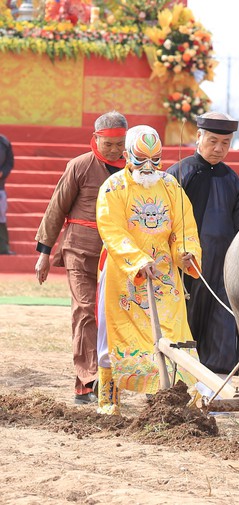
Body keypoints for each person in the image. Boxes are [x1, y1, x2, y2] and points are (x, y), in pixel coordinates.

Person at [95, 126, 202, 415]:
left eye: (155, 159)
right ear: (128, 155)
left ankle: (173, 397)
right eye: (141, 158)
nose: (148, 167)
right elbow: (112, 231)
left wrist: (186, 253)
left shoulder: (170, 186)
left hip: (164, 274)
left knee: (172, 331)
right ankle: (108, 398)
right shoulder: (114, 188)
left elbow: (184, 228)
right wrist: (138, 260)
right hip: (124, 273)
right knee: (115, 334)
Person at [34, 111, 127, 405]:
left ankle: (110, 376)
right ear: (95, 139)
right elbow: (56, 208)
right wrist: (44, 254)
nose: (114, 150)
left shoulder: (133, 171)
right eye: (108, 143)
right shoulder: (79, 166)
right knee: (86, 311)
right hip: (79, 251)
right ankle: (87, 381)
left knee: (112, 314)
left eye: (120, 144)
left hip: (117, 256)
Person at [167, 112, 239, 377]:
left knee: (222, 321)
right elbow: (166, 222)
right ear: (198, 137)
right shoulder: (179, 173)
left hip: (222, 264)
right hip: (186, 263)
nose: (219, 148)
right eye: (213, 141)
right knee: (185, 318)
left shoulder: (232, 179)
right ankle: (179, 379)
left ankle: (216, 384)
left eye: (226, 143)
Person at [0, 134, 14, 255]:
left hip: (0, 187)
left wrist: (2, 173)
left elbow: (10, 162)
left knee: (1, 217)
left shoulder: (4, 142)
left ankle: (3, 248)